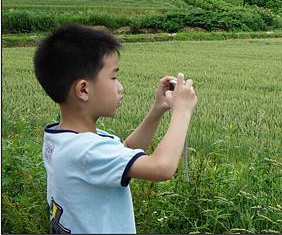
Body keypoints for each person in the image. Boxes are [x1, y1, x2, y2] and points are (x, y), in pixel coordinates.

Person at [34, 24, 198, 234]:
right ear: (83, 89)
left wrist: (158, 110)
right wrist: (182, 111)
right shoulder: (86, 150)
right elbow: (161, 168)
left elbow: (125, 149)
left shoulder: (64, 139)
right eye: (113, 77)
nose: (120, 87)